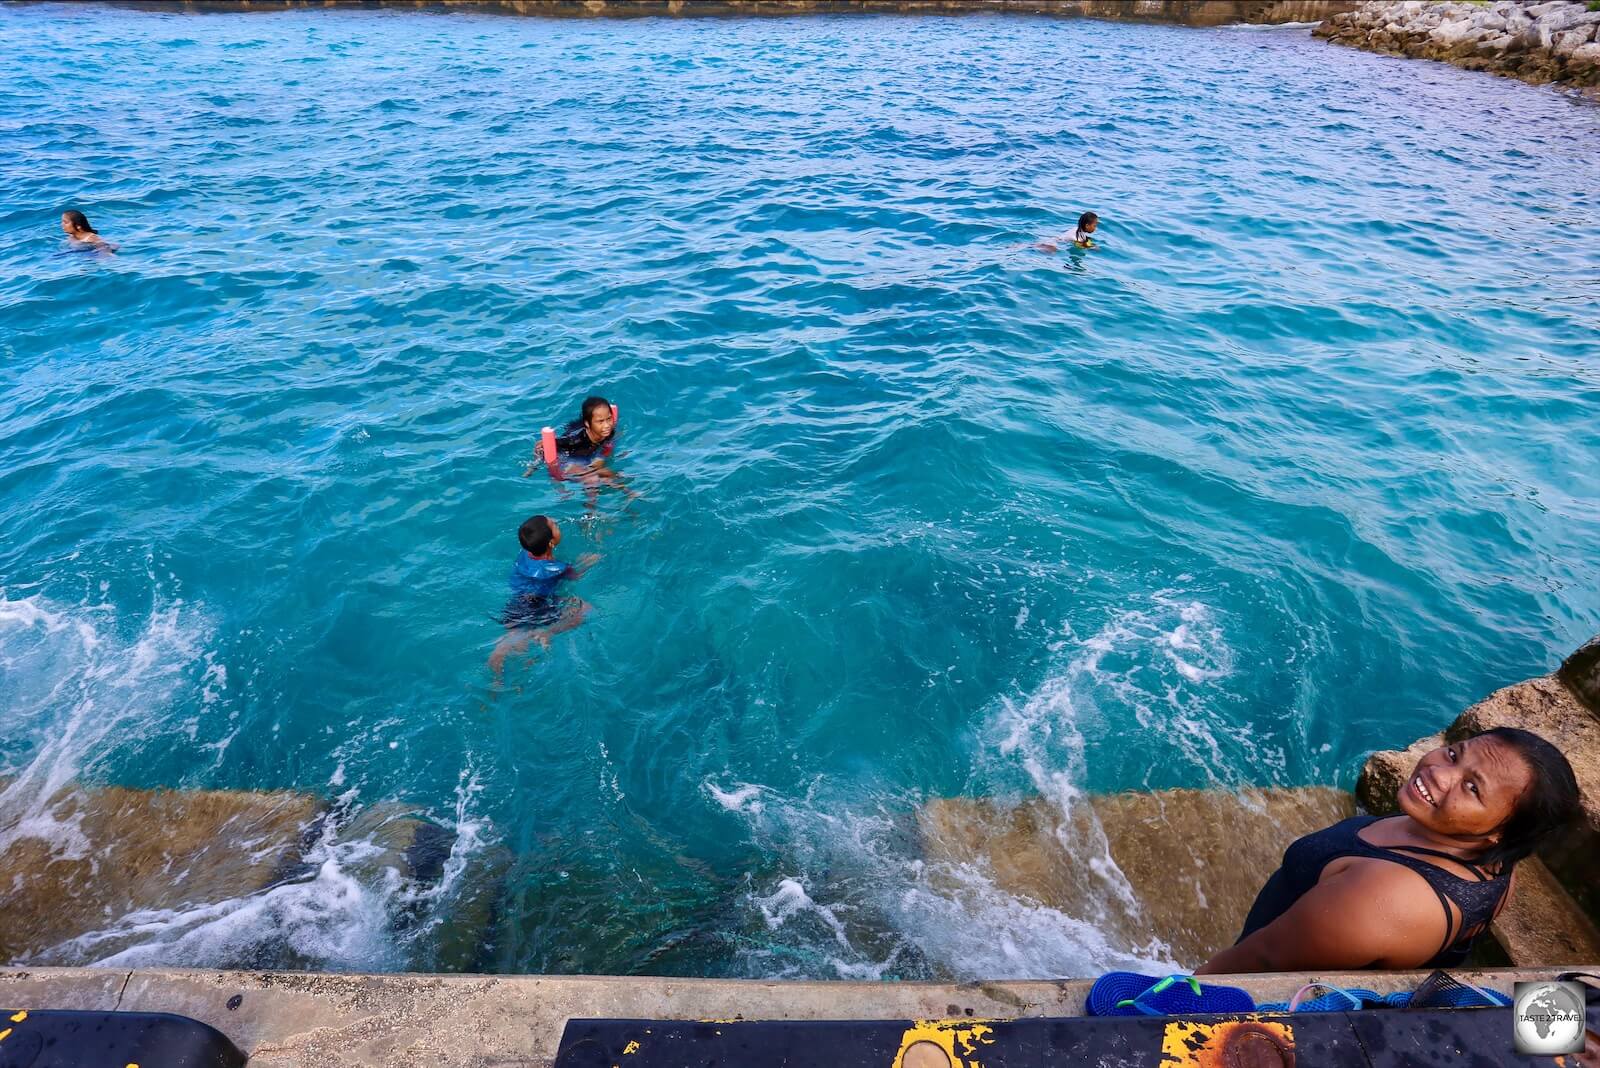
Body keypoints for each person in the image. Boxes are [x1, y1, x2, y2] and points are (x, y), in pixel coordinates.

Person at [1196, 728, 1580, 975]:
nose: (1438, 772)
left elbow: (1263, 962)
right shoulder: (1496, 866)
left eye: (1472, 788)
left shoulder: (1381, 900)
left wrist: (1186, 989)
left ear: (1501, 832)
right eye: (1454, 754)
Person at [488, 514, 597, 675]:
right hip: (541, 606)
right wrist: (587, 562)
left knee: (514, 635)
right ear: (551, 542)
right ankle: (546, 633)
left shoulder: (524, 554)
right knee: (586, 609)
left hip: (516, 605)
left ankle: (499, 662)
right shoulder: (559, 569)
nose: (556, 523)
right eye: (554, 526)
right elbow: (576, 576)